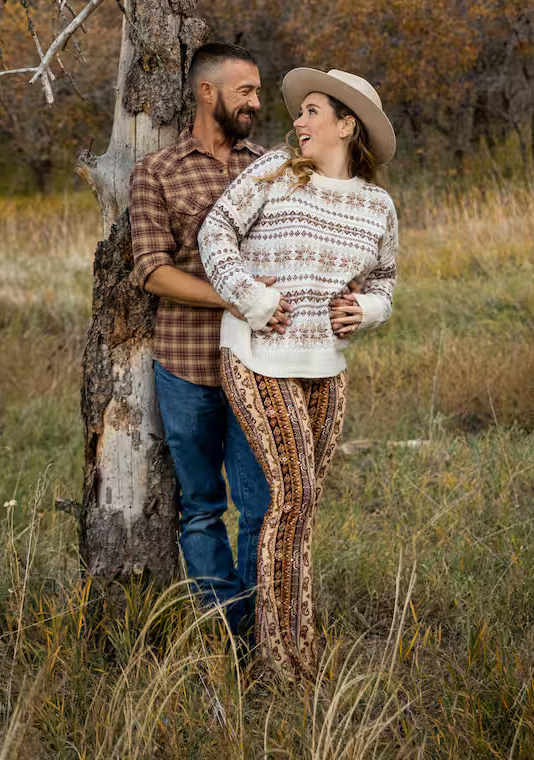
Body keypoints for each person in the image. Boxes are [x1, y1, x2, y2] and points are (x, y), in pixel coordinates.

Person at [198, 67, 398, 679]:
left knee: (303, 506)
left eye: (314, 111)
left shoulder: (377, 206)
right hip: (257, 356)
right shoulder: (275, 173)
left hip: (325, 368)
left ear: (346, 125)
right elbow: (217, 231)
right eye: (300, 111)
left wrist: (365, 309)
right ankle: (284, 660)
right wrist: (249, 299)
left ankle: (284, 644)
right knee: (294, 495)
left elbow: (386, 281)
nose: (299, 122)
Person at [128, 41, 292, 640]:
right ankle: (225, 633)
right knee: (201, 509)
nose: (255, 102)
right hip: (189, 365)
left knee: (259, 507)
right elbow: (150, 269)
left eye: (257, 91)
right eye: (244, 91)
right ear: (207, 92)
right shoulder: (159, 172)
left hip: (259, 363)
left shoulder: (272, 167)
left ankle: (257, 637)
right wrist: (236, 296)